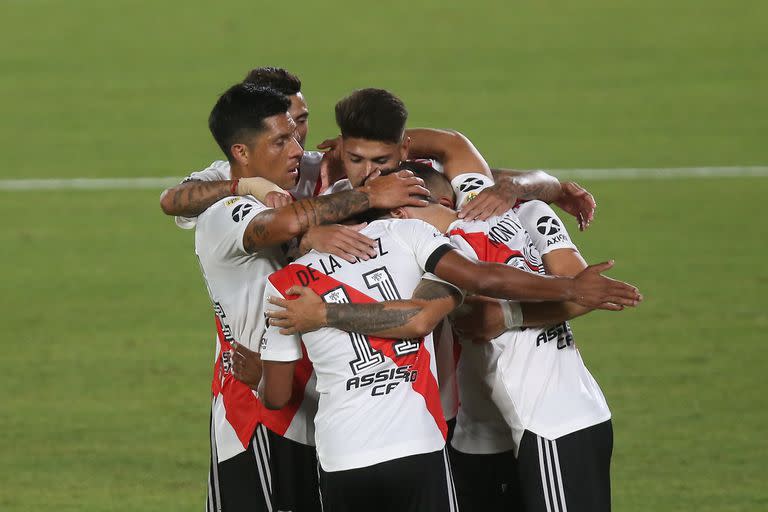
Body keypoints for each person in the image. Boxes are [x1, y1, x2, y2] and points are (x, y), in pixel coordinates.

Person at [257, 164, 640, 511]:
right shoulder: (425, 239)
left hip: (352, 454)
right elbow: (458, 291)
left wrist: (319, 308)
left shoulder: (287, 281)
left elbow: (275, 395)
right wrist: (549, 196)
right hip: (450, 438)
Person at [195, 82, 431, 512]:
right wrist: (366, 197)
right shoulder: (222, 216)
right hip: (260, 414)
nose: (295, 149)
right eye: (280, 140)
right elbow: (277, 226)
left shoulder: (313, 193)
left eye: (295, 134)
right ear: (242, 154)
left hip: (319, 409)